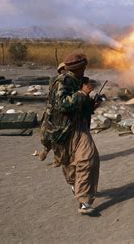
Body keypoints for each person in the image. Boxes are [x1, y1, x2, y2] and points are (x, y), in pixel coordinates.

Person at [40, 54, 100, 215]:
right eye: (83, 67)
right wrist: (82, 93)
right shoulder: (62, 82)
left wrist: (91, 104)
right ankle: (76, 185)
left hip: (79, 128)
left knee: (88, 158)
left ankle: (84, 201)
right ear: (78, 68)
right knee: (69, 163)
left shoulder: (80, 81)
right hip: (62, 130)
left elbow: (81, 107)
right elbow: (62, 105)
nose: (84, 69)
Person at [37, 62, 66, 161]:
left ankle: (57, 158)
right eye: (62, 69)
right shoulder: (54, 80)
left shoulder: (67, 82)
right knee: (45, 134)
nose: (64, 71)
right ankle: (46, 150)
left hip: (59, 114)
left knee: (56, 135)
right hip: (50, 111)